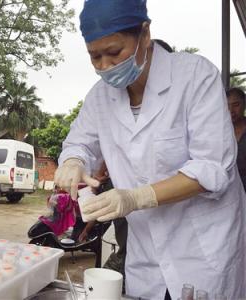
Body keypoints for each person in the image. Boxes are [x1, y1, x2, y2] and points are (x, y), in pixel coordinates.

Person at [54, 1, 246, 299]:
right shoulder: (99, 98)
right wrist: (73, 161)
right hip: (146, 255)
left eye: (114, 53)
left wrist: (136, 197)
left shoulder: (195, 77)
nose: (105, 66)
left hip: (203, 249)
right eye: (95, 57)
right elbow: (78, 142)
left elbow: (212, 168)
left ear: (144, 34)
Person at [227, 87, 246, 189]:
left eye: (236, 105)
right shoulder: (221, 132)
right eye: (227, 106)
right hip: (230, 189)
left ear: (244, 104)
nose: (231, 111)